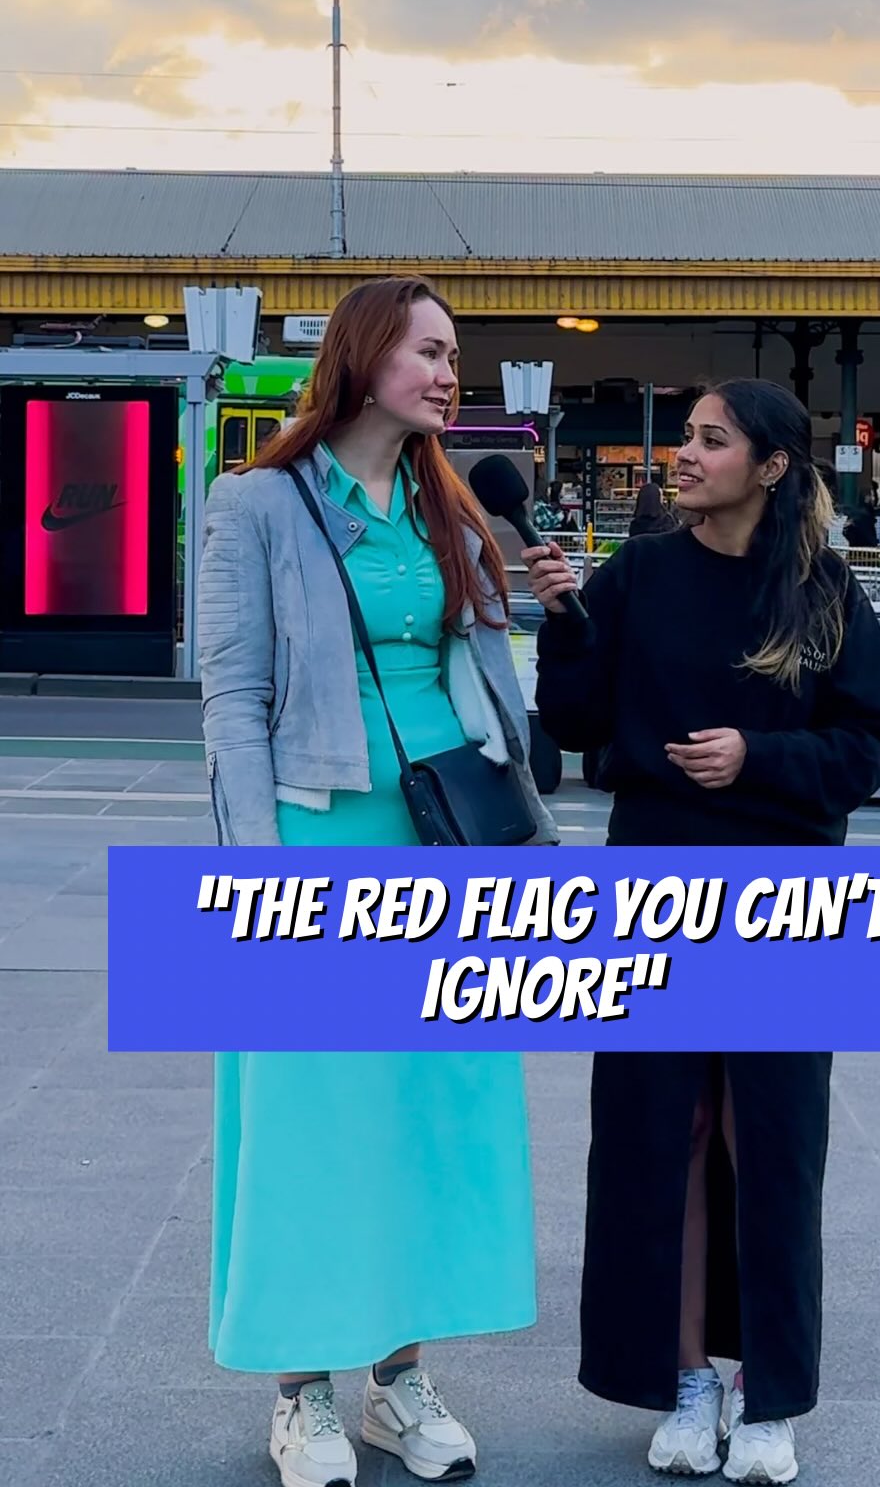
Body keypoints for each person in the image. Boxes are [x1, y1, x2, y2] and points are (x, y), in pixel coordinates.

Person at [198, 276, 557, 1487]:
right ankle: (302, 1394)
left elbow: (484, 683)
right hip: (312, 849)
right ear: (363, 359)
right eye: (432, 352)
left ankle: (399, 1382)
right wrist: (256, 881)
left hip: (443, 851)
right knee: (313, 1118)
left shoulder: (447, 507)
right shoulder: (252, 505)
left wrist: (538, 610)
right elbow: (233, 702)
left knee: (425, 1114)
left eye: (459, 355)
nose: (453, 373)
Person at [523, 379, 880, 1484]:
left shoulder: (825, 593)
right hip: (651, 889)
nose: (682, 456)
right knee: (664, 1133)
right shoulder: (637, 572)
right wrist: (562, 623)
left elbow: (870, 743)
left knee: (770, 1140)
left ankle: (768, 1396)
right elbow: (582, 724)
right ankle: (685, 1379)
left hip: (787, 900)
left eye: (709, 439)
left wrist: (760, 757)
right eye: (685, 438)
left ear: (771, 467)